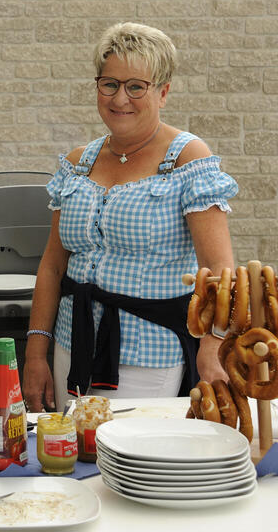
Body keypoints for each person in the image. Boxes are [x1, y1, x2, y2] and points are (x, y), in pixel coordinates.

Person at [22, 22, 238, 413]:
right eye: (110, 84)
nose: (121, 98)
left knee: (128, 458)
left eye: (136, 86)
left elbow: (219, 269)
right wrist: (36, 352)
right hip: (71, 345)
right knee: (71, 453)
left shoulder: (188, 160)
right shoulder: (77, 163)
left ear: (163, 92)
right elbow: (53, 267)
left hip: (149, 354)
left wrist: (213, 345)